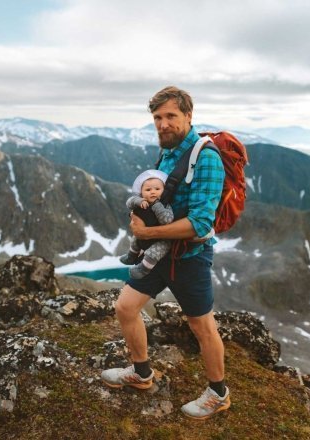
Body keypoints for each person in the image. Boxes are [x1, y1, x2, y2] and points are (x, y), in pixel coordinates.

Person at [101, 86, 229, 420]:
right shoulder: (169, 152)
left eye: (171, 116)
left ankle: (218, 394)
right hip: (158, 254)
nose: (163, 124)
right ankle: (142, 374)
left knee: (201, 327)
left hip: (190, 258)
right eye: (157, 117)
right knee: (126, 307)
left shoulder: (208, 159)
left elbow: (201, 223)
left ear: (188, 115)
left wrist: (148, 232)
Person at [119, 169, 174, 279]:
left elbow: (167, 221)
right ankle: (132, 256)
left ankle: (143, 269)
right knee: (135, 240)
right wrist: (139, 201)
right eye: (148, 189)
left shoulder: (165, 205)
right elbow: (129, 203)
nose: (153, 192)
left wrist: (157, 207)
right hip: (143, 235)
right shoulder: (140, 201)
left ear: (164, 191)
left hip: (161, 238)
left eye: (157, 189)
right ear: (141, 192)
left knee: (155, 252)